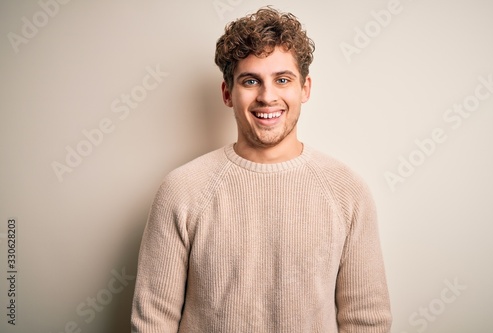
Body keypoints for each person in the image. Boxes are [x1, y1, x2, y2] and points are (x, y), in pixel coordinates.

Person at [131, 7, 392, 333]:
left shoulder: (347, 190)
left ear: (305, 89)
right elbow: (153, 321)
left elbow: (366, 321)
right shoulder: (182, 189)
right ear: (228, 93)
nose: (267, 97)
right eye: (251, 81)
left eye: (283, 80)